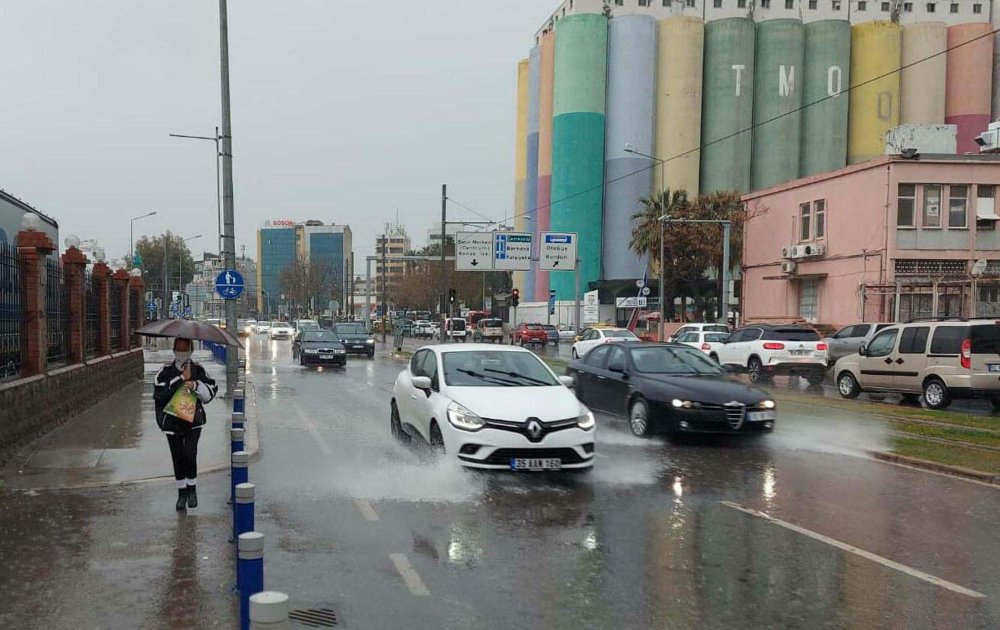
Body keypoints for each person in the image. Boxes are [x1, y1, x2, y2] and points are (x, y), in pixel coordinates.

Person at [154, 338, 218, 510]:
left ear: (191, 349)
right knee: (178, 457)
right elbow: (160, 394)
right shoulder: (165, 371)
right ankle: (181, 492)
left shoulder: (198, 370)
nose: (182, 352)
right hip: (172, 423)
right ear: (174, 349)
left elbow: (210, 392)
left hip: (193, 422)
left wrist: (194, 384)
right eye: (179, 348)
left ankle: (192, 489)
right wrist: (181, 378)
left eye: (185, 348)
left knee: (190, 454)